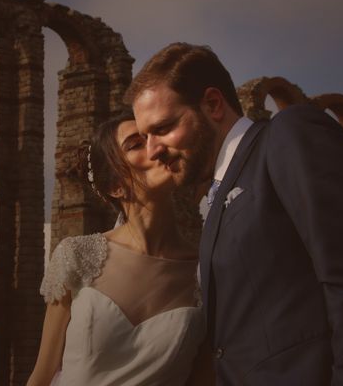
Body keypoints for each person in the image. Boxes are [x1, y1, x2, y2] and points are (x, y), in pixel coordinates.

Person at [126, 42, 343, 385]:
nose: (152, 151)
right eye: (143, 136)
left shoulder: (288, 134)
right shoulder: (215, 202)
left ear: (213, 104)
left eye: (163, 128)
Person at [27, 110, 209, 386]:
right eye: (137, 144)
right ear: (115, 186)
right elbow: (42, 374)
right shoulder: (76, 256)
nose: (155, 147)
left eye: (154, 136)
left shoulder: (204, 274)